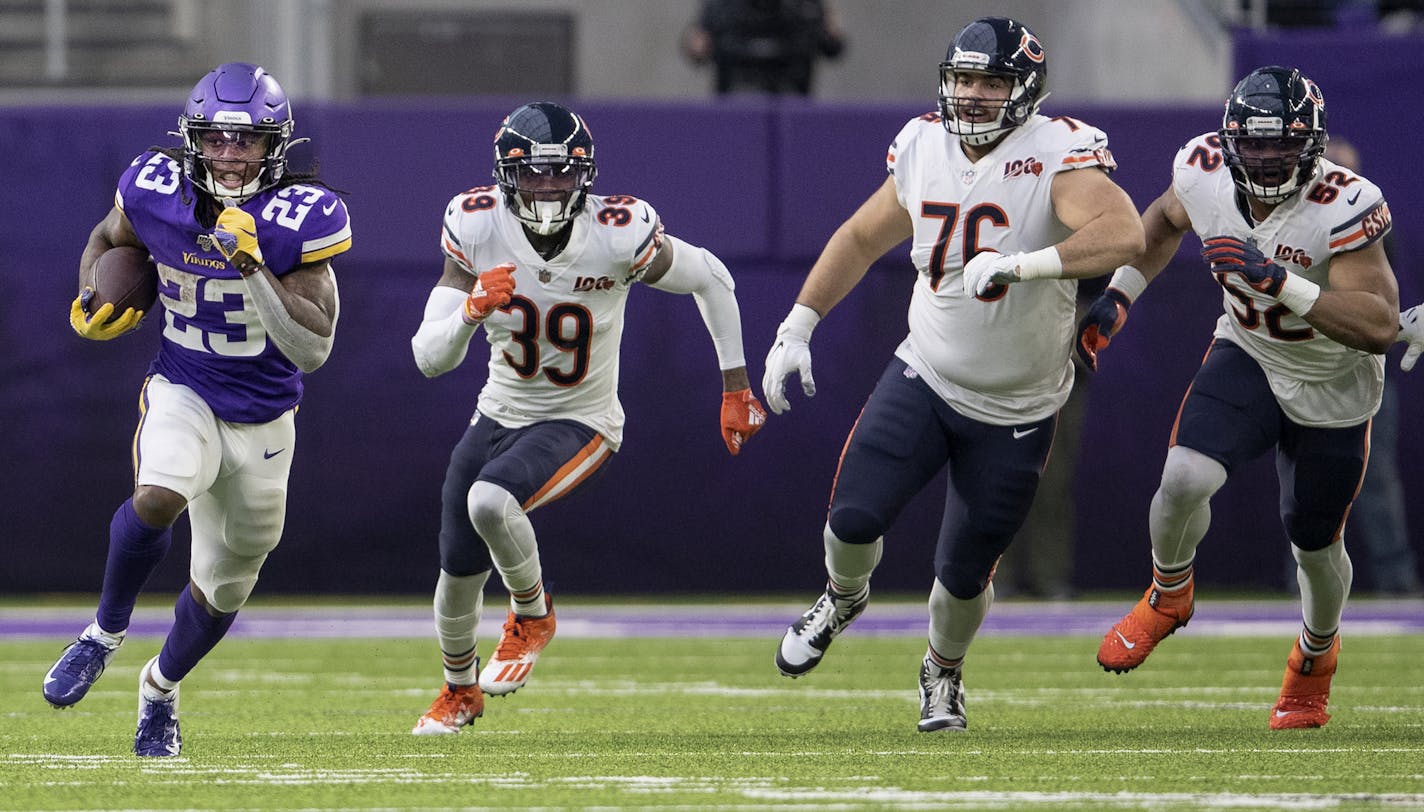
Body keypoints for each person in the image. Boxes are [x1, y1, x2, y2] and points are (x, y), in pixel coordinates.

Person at [761, 17, 1144, 732]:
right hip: (928, 374)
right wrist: (798, 323)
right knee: (851, 520)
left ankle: (943, 672)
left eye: (991, 81)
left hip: (1019, 405)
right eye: (965, 78)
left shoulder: (1057, 150)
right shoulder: (921, 144)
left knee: (963, 576)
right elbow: (859, 235)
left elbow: (1125, 234)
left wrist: (1024, 265)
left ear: (1023, 90)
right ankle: (843, 597)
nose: (972, 94)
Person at [408, 101, 766, 735]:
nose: (548, 187)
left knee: (489, 501)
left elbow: (711, 276)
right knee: (457, 568)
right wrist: (467, 314)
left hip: (583, 419)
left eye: (562, 174)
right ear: (505, 175)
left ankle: (533, 614)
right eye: (534, 174)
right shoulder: (476, 223)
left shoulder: (619, 231)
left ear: (585, 175)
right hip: (497, 412)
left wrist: (735, 385)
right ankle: (458, 692)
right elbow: (427, 359)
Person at [44, 62, 351, 756]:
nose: (230, 156)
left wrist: (251, 267)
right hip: (184, 387)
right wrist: (93, 294)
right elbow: (108, 240)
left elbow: (312, 349)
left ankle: (159, 690)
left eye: (247, 142)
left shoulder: (304, 216)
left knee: (226, 584)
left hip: (267, 418)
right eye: (216, 139)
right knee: (158, 495)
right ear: (193, 139)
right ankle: (103, 633)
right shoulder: (153, 188)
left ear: (276, 146)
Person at [1081, 66, 1400, 730]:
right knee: (1181, 478)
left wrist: (1275, 279)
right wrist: (1119, 296)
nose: (1266, 157)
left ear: (1310, 143)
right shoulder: (1201, 170)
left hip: (1333, 382)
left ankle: (1315, 656)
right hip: (1250, 353)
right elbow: (1164, 221)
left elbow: (1377, 327)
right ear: (1229, 141)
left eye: (1282, 144)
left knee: (1314, 546)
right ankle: (1170, 594)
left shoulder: (1345, 200)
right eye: (1253, 144)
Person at [1318, 139, 1420, 595]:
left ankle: (1395, 580)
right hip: (1310, 368)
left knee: (1376, 479)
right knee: (1306, 482)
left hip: (1363, 366)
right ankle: (1305, 581)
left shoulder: (1369, 220)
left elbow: (1374, 305)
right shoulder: (1296, 223)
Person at [681, 0, 845, 96]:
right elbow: (698, 49)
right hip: (735, 96)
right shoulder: (722, 6)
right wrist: (695, 46)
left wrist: (831, 35)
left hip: (791, 94)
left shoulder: (804, 6)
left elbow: (832, 48)